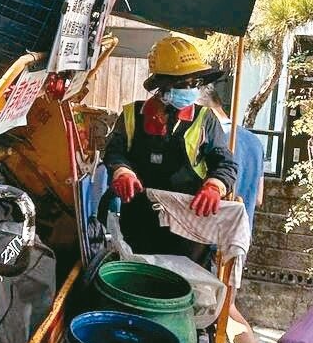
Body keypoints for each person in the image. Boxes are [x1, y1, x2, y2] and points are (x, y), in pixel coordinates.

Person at [103, 34, 240, 258]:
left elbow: (225, 161)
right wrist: (122, 171)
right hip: (139, 219)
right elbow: (114, 151)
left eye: (195, 82)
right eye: (184, 83)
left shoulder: (205, 119)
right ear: (163, 86)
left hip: (189, 223)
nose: (192, 88)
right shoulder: (131, 115)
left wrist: (215, 185)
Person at [201, 77, 283, 343]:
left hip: (213, 239)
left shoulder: (213, 139)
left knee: (224, 311)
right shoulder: (252, 139)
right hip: (241, 237)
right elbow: (259, 196)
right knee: (223, 310)